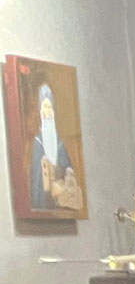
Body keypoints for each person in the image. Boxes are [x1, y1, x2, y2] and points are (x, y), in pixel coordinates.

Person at [28, 83, 81, 212]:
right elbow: (36, 178)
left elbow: (67, 164)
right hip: (45, 196)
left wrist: (67, 172)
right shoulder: (38, 142)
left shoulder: (58, 141)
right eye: (45, 107)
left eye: (50, 107)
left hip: (61, 195)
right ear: (40, 110)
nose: (48, 111)